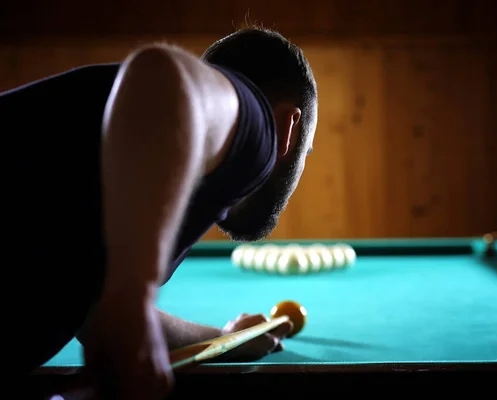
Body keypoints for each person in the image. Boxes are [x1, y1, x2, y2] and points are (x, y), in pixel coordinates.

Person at [3, 26, 318, 399]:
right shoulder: (259, 135)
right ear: (289, 129)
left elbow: (95, 309)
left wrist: (223, 338)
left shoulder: (141, 188)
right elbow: (160, 73)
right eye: (307, 152)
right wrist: (131, 300)